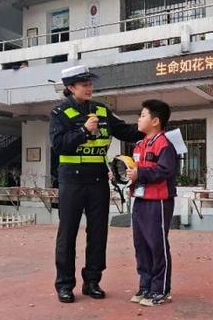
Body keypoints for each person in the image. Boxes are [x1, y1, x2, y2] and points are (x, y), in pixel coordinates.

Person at [50, 64, 143, 303]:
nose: (90, 88)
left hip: (98, 180)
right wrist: (83, 130)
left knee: (98, 233)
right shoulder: (60, 113)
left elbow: (125, 131)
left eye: (91, 84)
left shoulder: (102, 109)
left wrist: (150, 128)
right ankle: (65, 285)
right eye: (84, 85)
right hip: (71, 180)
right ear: (71, 88)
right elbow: (59, 145)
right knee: (67, 233)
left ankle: (92, 282)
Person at [126, 99, 177, 307]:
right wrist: (124, 175)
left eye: (143, 115)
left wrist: (141, 173)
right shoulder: (139, 144)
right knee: (141, 246)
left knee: (157, 245)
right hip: (140, 200)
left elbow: (166, 171)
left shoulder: (164, 143)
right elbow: (135, 170)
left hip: (158, 202)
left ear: (155, 121)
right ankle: (145, 285)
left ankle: (161, 289)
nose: (139, 119)